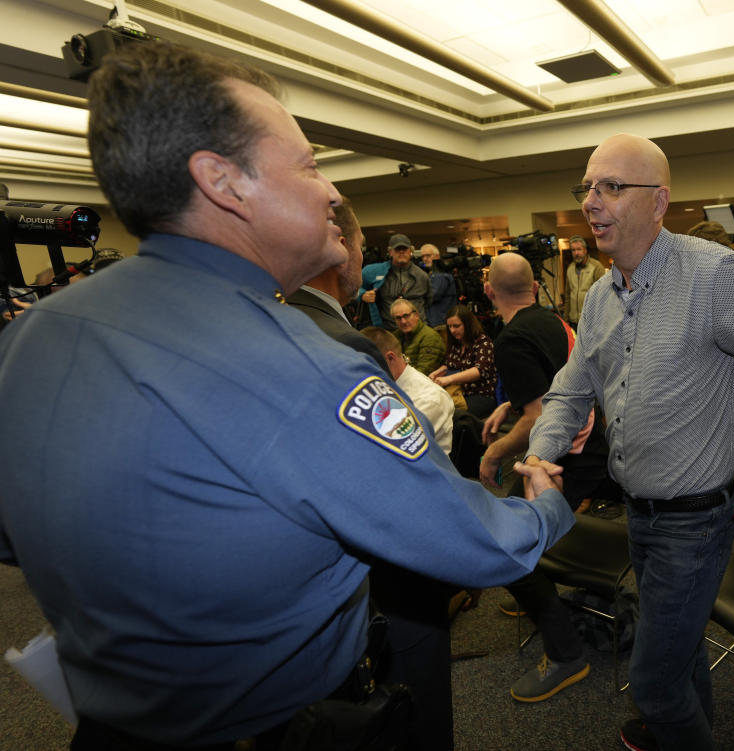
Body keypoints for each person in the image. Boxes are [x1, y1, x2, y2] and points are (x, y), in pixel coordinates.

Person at [0, 41, 574, 751]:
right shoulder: (303, 367)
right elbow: (470, 541)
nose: (331, 190)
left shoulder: (34, 334)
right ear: (222, 182)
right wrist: (546, 505)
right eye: (306, 164)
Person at [525, 133, 734, 751]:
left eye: (611, 186)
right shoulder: (599, 297)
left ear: (660, 201)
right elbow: (572, 386)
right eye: (586, 187)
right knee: (682, 650)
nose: (591, 201)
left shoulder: (715, 275)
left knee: (654, 684)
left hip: (694, 523)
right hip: (637, 514)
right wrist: (540, 451)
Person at [479, 252, 614, 703]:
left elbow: (539, 420)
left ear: (488, 291)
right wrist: (508, 403)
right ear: (535, 288)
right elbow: (550, 387)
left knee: (509, 549)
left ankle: (566, 654)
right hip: (596, 442)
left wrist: (495, 451)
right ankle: (538, 591)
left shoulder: (512, 339)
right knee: (522, 543)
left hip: (571, 456)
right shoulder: (553, 320)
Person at [287, 197, 389, 373]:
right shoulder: (349, 344)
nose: (362, 257)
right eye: (360, 246)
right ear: (341, 253)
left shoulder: (266, 315)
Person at [362, 326, 454, 454]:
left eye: (367, 366)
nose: (362, 374)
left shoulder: (429, 399)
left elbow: (394, 450)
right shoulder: (382, 386)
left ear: (390, 358)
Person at [429, 304, 496, 418]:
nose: (452, 330)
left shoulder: (483, 342)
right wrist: (436, 373)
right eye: (449, 327)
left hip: (480, 395)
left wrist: (448, 379)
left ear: (468, 324)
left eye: (456, 326)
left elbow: (479, 371)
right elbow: (449, 365)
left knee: (448, 415)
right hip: (459, 391)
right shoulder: (456, 343)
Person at [358, 232, 430, 329]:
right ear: (390, 252)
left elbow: (429, 302)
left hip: (417, 329)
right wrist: (363, 295)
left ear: (410, 251)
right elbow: (353, 288)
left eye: (404, 249)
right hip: (389, 330)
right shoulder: (374, 271)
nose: (401, 252)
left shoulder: (422, 276)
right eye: (397, 249)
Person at [392, 297, 445, 375]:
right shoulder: (395, 337)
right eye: (398, 318)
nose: (403, 321)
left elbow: (422, 373)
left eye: (406, 316)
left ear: (416, 315)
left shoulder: (430, 338)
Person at [564, 234, 606, 328]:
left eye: (579, 249)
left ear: (585, 250)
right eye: (573, 250)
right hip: (573, 321)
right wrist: (566, 319)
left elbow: (603, 296)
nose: (576, 253)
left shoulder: (596, 267)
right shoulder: (570, 268)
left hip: (590, 321)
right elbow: (567, 296)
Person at [421, 243, 457, 327]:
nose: (425, 259)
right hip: (436, 320)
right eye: (422, 256)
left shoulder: (440, 275)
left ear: (437, 256)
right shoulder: (433, 273)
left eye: (428, 255)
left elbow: (432, 296)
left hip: (440, 322)